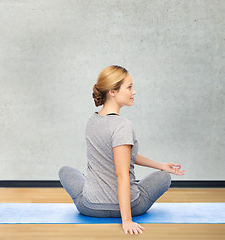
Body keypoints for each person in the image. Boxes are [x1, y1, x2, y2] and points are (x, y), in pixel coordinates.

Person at [59, 65, 185, 235]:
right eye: (129, 87)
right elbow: (122, 174)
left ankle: (90, 181)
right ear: (112, 91)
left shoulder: (92, 121)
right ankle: (102, 188)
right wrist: (127, 220)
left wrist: (160, 164)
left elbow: (125, 156)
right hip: (133, 207)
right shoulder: (122, 126)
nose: (134, 92)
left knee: (65, 171)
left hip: (90, 207)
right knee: (163, 178)